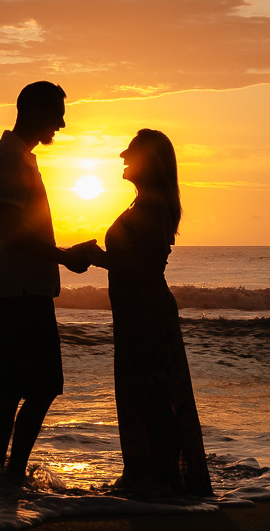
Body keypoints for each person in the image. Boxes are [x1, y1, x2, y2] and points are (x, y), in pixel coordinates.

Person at [0, 81, 97, 484]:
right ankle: (10, 472)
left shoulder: (15, 156)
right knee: (44, 385)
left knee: (12, 383)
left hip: (13, 286)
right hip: (21, 288)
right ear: (34, 112)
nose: (62, 124)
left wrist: (60, 253)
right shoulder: (12, 160)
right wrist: (63, 255)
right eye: (57, 114)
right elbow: (12, 231)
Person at [90, 129, 212, 497]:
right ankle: (148, 475)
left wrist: (98, 259)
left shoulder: (152, 205)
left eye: (132, 153)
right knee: (141, 393)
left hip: (147, 312)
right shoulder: (143, 202)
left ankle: (158, 478)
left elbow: (149, 266)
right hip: (134, 313)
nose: (123, 157)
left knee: (152, 395)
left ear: (150, 162)